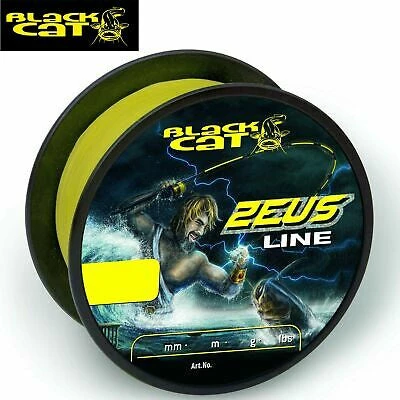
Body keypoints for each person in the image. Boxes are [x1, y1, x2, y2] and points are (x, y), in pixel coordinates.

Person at [122, 182, 249, 313]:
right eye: (198, 223)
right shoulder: (152, 232)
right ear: (184, 216)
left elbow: (228, 290)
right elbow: (127, 211)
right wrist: (158, 192)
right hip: (128, 313)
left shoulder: (196, 261)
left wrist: (240, 267)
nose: (200, 232)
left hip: (156, 321)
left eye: (204, 227)